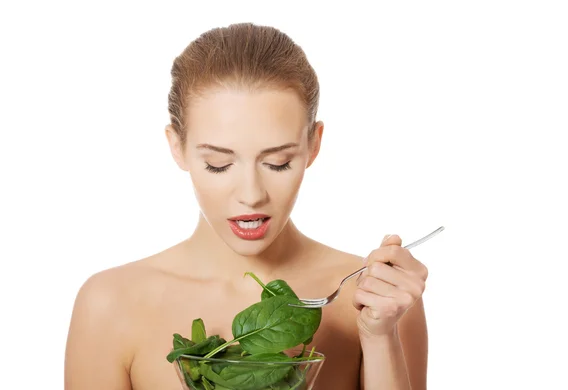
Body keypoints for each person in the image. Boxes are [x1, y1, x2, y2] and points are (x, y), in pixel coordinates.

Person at [64, 22, 429, 390]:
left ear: (313, 145)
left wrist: (381, 337)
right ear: (177, 146)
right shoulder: (110, 304)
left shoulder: (378, 297)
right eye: (219, 165)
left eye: (278, 163)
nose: (251, 195)